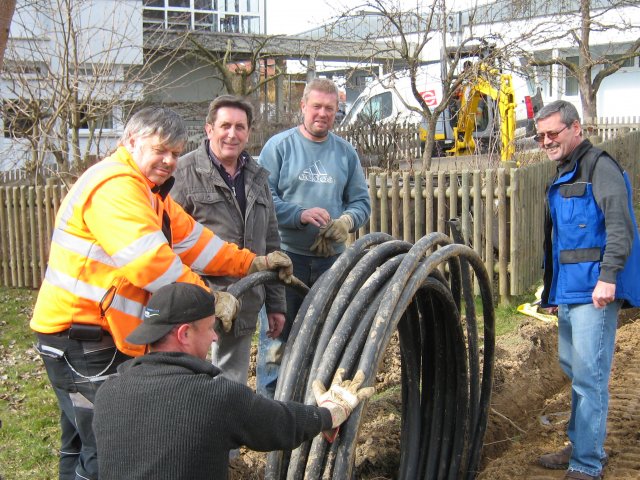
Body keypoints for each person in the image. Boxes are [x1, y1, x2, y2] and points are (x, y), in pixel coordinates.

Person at [30, 106, 293, 480]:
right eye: (160, 150)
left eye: (175, 152)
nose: (169, 160)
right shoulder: (115, 187)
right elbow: (150, 262)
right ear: (132, 142)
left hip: (93, 335)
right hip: (82, 339)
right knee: (105, 447)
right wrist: (210, 297)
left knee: (80, 441)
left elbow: (200, 244)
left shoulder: (150, 195)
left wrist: (253, 263)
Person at [93, 282, 374, 480]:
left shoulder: (107, 394)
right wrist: (329, 412)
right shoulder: (214, 397)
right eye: (209, 328)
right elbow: (283, 424)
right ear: (184, 334)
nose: (215, 337)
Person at [535, 100, 640, 480]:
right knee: (574, 369)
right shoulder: (565, 171)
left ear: (576, 128)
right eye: (541, 135)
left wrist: (609, 277)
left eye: (553, 133)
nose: (546, 141)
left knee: (590, 376)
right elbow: (562, 242)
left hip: (595, 292)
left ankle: (587, 463)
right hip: (570, 292)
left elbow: (620, 226)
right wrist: (551, 293)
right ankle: (579, 443)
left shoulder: (600, 168)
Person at [257, 77, 371, 397]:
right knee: (277, 335)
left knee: (328, 336)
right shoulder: (279, 147)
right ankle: (271, 407)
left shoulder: (345, 153)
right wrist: (299, 215)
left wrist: (347, 221)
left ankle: (315, 406)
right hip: (286, 259)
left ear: (337, 112)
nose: (322, 113)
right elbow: (264, 200)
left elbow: (361, 203)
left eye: (330, 109)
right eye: (316, 106)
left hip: (330, 261)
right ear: (303, 107)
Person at [172, 95, 286, 390]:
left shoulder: (258, 177)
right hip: (197, 304)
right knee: (188, 381)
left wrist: (276, 303)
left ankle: (224, 435)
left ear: (248, 132)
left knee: (230, 381)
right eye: (225, 126)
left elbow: (271, 242)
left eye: (240, 127)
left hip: (243, 302)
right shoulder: (182, 175)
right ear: (209, 129)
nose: (232, 134)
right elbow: (164, 243)